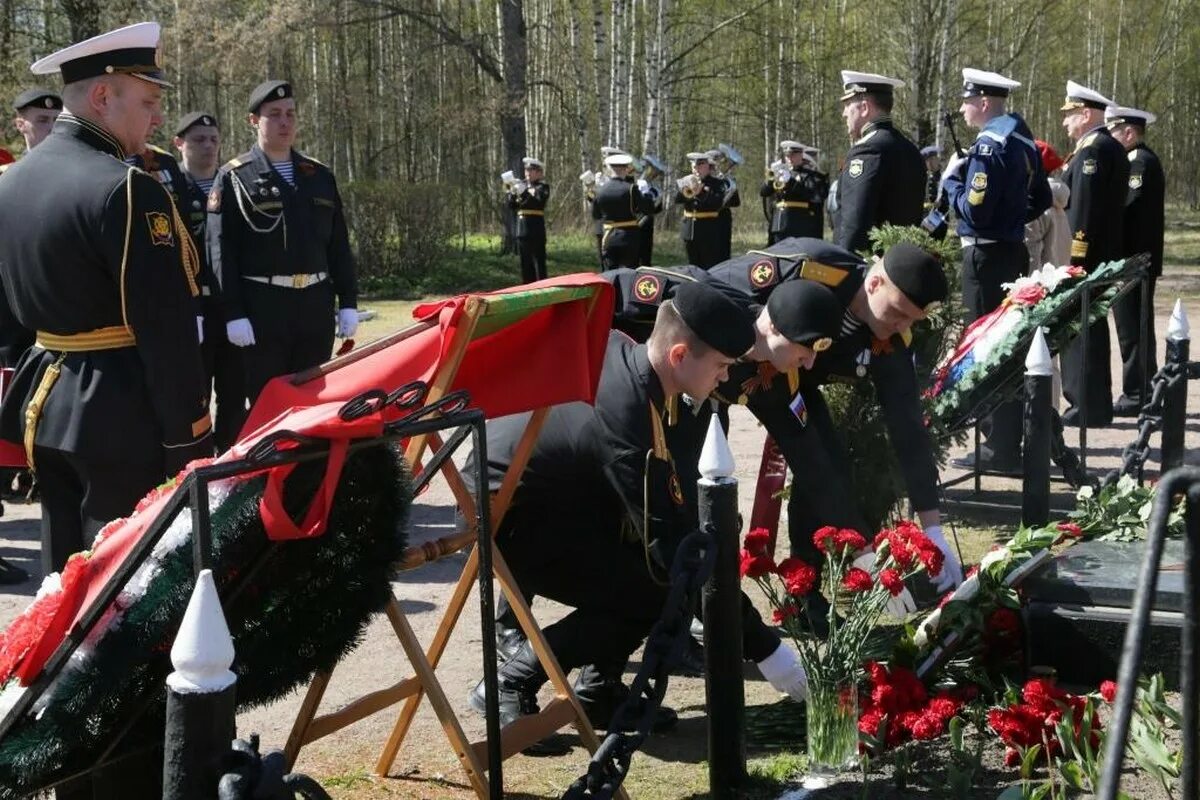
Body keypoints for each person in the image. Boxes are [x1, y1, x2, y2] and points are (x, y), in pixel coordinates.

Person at [469, 282, 816, 732]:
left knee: (654, 576)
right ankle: (511, 679)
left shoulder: (638, 366)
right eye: (720, 366)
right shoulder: (628, 410)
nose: (726, 378)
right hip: (507, 515)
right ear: (678, 356)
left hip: (557, 499)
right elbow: (670, 547)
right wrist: (768, 649)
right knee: (658, 585)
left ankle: (598, 691)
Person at [708, 239, 962, 617]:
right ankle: (704, 608)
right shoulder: (809, 269)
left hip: (793, 381)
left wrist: (933, 530)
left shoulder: (889, 338)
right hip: (717, 362)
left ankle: (804, 595)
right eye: (897, 313)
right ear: (875, 283)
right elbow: (715, 292)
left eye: (912, 319)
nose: (901, 326)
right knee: (706, 473)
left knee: (826, 466)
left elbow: (908, 428)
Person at [207, 80, 359, 414]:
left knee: (316, 405)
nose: (284, 122)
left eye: (290, 114)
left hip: (314, 308)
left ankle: (314, 469)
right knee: (268, 407)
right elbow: (221, 250)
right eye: (274, 114)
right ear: (253, 121)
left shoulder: (318, 175)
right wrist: (232, 311)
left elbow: (338, 244)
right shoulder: (235, 178)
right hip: (263, 310)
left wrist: (348, 301)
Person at [943, 68, 1051, 473]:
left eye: (968, 100)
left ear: (985, 102)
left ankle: (999, 446)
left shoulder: (990, 144)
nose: (963, 108)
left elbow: (975, 210)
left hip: (985, 257)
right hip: (1011, 251)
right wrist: (1010, 219)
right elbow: (1039, 198)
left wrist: (951, 184)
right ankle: (1006, 441)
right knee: (1008, 345)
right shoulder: (1021, 136)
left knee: (988, 349)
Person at [1058, 80, 1130, 427]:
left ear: (1086, 114)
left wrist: (1075, 258)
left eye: (1070, 115)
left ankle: (1084, 405)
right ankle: (1095, 404)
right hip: (1103, 254)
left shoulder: (1093, 151)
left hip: (1088, 257)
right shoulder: (1107, 147)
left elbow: (1082, 212)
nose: (1065, 123)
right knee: (1091, 328)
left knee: (1080, 331)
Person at [174, 111, 245, 452]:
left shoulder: (234, 184)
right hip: (192, 309)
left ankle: (229, 461)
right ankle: (197, 465)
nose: (208, 146)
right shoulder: (167, 191)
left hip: (230, 309)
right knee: (194, 395)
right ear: (179, 143)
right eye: (199, 139)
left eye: (214, 139)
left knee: (234, 393)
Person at [1106, 105, 1165, 417]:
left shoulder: (1138, 161)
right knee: (1134, 327)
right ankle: (1144, 389)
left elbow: (1129, 207)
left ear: (1128, 132)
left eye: (1114, 131)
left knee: (1133, 330)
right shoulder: (1137, 159)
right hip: (1135, 259)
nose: (1111, 137)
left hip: (1135, 259)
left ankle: (1137, 393)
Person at [833, 70, 924, 253]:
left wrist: (844, 267)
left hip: (871, 270)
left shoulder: (867, 150)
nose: (844, 113)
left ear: (864, 108)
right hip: (902, 262)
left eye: (848, 104)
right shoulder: (910, 150)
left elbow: (855, 223)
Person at [591, 152, 656, 270]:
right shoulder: (631, 188)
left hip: (609, 237)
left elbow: (596, 214)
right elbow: (648, 209)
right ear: (626, 169)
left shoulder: (600, 190)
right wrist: (646, 194)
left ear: (610, 169)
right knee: (629, 275)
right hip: (629, 237)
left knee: (609, 274)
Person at [760, 140, 828, 243]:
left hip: (800, 225)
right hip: (780, 225)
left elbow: (815, 196)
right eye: (787, 155)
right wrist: (771, 178)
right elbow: (764, 192)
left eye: (793, 155)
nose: (789, 158)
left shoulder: (813, 176)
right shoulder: (782, 173)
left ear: (801, 155)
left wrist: (791, 182)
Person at [675, 151, 725, 268]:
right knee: (692, 265)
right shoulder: (686, 181)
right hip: (689, 230)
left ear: (708, 166)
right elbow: (676, 200)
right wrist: (685, 189)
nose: (697, 169)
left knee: (709, 265)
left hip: (708, 231)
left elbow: (717, 204)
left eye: (700, 165)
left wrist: (700, 193)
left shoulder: (716, 183)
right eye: (694, 166)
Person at [507, 156, 549, 283]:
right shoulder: (522, 185)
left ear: (539, 173)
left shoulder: (542, 187)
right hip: (522, 230)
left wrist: (524, 192)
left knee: (539, 263)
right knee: (525, 264)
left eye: (531, 170)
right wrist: (512, 193)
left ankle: (543, 288)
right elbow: (512, 206)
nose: (528, 173)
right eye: (526, 170)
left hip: (536, 230)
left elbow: (538, 203)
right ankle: (528, 287)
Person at [708, 147, 740, 262]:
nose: (718, 165)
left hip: (723, 217)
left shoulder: (726, 180)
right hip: (708, 218)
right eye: (716, 162)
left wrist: (731, 188)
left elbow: (736, 202)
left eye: (720, 162)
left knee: (724, 251)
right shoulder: (703, 180)